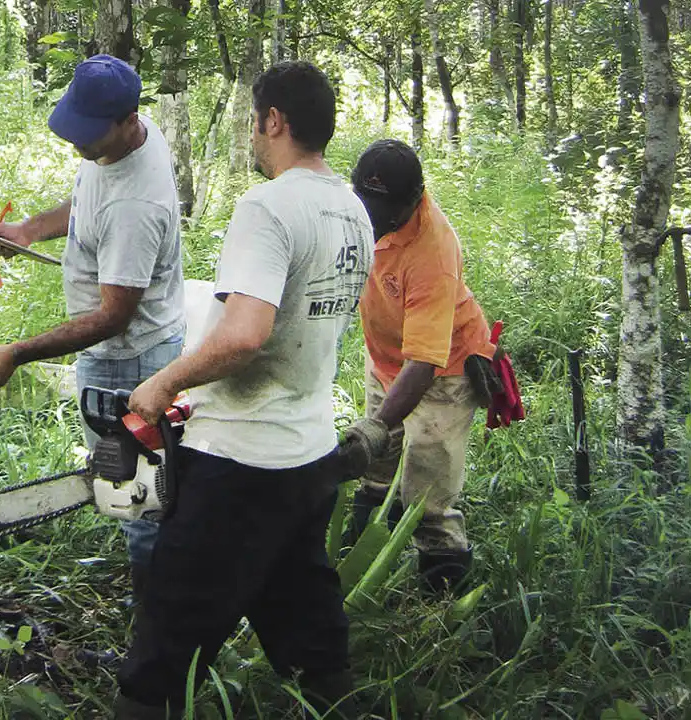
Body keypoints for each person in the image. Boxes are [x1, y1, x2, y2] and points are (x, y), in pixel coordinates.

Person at [119, 61, 373, 719]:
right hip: (307, 454)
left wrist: (162, 383)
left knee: (164, 647)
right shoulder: (352, 210)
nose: (251, 137)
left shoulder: (267, 206)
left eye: (253, 123)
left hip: (238, 463)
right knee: (310, 637)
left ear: (274, 120)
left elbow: (244, 336)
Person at [0, 55, 185, 599]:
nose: (77, 146)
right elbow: (90, 196)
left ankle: (156, 625)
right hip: (122, 354)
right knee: (134, 490)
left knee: (139, 502)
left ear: (128, 119)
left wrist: (17, 351)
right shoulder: (126, 142)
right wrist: (29, 229)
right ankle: (161, 599)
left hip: (129, 360)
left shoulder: (137, 205)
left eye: (89, 136)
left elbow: (113, 317)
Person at [338, 138, 497, 595]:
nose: (371, 219)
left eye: (383, 210)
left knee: (427, 494)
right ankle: (356, 565)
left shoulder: (433, 251)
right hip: (388, 358)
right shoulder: (358, 212)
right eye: (364, 204)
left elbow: (425, 362)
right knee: (376, 469)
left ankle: (439, 607)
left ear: (414, 199)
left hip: (443, 371)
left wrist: (375, 427)